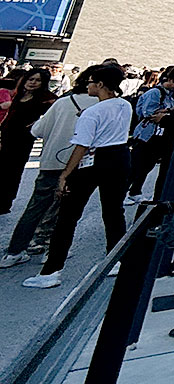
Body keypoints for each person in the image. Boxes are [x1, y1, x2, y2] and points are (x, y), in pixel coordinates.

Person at [23, 64, 133, 289]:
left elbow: (81, 146)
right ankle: (116, 259)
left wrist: (65, 174)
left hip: (93, 160)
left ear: (100, 84)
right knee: (113, 212)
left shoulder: (92, 112)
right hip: (119, 158)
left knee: (68, 216)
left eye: (92, 82)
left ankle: (52, 270)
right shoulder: (124, 105)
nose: (89, 85)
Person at [0, 69, 100, 267]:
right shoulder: (104, 106)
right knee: (68, 209)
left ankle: (15, 251)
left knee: (36, 206)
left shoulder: (61, 102)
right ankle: (52, 251)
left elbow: (38, 130)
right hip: (83, 164)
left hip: (52, 159)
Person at [126, 63, 174, 204]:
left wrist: (166, 116)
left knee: (149, 168)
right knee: (140, 165)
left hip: (167, 138)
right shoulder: (157, 93)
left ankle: (149, 198)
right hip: (151, 136)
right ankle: (131, 192)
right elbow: (148, 112)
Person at [0, 67, 55, 214]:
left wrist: (37, 125)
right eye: (31, 79)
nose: (33, 83)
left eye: (38, 80)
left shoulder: (45, 98)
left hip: (22, 141)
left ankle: (4, 203)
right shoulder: (18, 94)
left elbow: (55, 110)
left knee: (12, 172)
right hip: (4, 137)